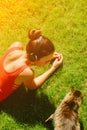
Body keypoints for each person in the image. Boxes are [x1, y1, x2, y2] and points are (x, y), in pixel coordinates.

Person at [0, 29, 63, 102]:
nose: (48, 62)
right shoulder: (26, 72)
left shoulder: (16, 46)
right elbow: (33, 86)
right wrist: (53, 68)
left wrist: (49, 56)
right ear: (34, 58)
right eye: (46, 60)